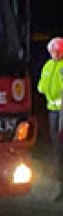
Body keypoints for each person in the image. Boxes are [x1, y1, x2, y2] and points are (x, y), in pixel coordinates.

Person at [39, 37, 63, 191]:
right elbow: (41, 85)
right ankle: (58, 177)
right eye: (52, 51)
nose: (54, 53)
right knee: (55, 144)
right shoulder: (48, 65)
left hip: (62, 111)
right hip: (52, 110)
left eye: (56, 51)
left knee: (60, 145)